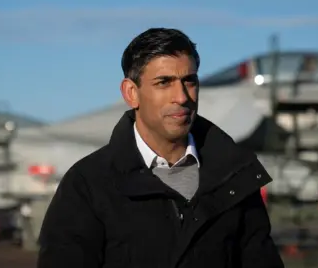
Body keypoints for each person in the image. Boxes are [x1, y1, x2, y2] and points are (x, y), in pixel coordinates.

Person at [37, 27, 284, 268]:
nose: (182, 97)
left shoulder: (235, 176)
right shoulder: (87, 184)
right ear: (131, 93)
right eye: (164, 82)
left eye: (189, 81)